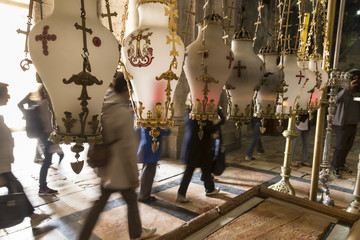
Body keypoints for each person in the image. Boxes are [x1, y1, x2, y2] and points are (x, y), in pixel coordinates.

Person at [79, 72, 156, 240]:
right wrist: (134, 176)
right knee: (130, 200)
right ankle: (136, 233)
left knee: (101, 203)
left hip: (106, 165)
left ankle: (83, 236)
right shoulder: (121, 111)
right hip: (119, 167)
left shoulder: (105, 105)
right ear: (126, 89)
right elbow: (128, 148)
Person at [0, 82, 50, 228]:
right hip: (1, 167)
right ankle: (33, 216)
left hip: (3, 166)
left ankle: (33, 216)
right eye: (6, 93)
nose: (8, 96)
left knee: (17, 188)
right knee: (17, 188)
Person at [176, 106, 220, 203]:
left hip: (192, 147)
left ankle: (210, 189)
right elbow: (210, 128)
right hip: (200, 148)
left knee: (203, 169)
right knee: (194, 170)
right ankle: (181, 194)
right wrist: (215, 122)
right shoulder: (202, 117)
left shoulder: (189, 115)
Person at [36, 85, 64, 195]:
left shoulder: (40, 103)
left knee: (47, 161)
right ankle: (42, 188)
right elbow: (50, 123)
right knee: (46, 162)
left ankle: (43, 187)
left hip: (45, 136)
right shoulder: (47, 104)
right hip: (49, 136)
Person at [331, 79, 360, 178]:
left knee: (347, 146)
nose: (352, 85)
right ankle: (335, 168)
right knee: (340, 147)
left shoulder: (356, 95)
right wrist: (347, 89)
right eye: (350, 84)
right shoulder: (341, 94)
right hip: (341, 125)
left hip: (352, 124)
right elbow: (335, 100)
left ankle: (341, 165)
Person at [137, 127, 169, 203]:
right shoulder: (152, 121)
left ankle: (143, 193)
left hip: (145, 145)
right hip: (152, 147)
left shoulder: (142, 117)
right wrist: (166, 128)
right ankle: (143, 196)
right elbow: (163, 132)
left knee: (146, 171)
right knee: (149, 173)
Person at [17, 92, 43, 163]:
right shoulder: (32, 94)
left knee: (40, 138)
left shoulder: (44, 94)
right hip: (34, 121)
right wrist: (26, 113)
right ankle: (38, 156)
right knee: (40, 137)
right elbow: (19, 105)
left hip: (40, 120)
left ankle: (38, 156)